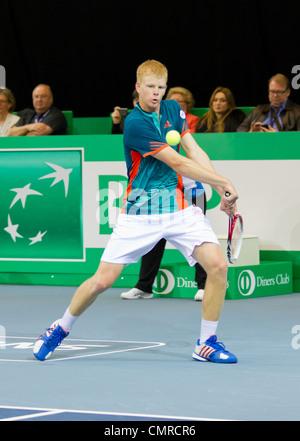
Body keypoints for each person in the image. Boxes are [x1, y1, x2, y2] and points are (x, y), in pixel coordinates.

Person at [33, 60, 239, 364]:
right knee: (102, 281)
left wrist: (220, 186)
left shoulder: (172, 110)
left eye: (161, 87)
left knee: (218, 266)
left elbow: (193, 151)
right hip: (141, 212)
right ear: (138, 87)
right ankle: (59, 328)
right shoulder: (135, 123)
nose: (156, 93)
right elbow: (179, 163)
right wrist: (224, 182)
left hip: (179, 209)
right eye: (150, 87)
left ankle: (206, 343)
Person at [121, 86, 207, 302]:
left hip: (191, 188)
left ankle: (204, 285)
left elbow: (190, 154)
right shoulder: (144, 128)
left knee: (198, 238)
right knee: (154, 236)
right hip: (165, 192)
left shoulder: (174, 122)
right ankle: (144, 286)